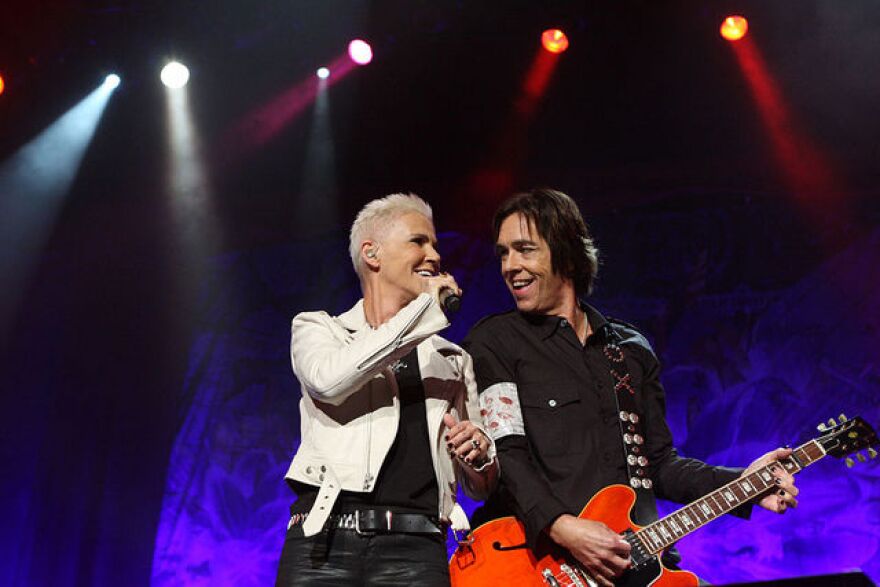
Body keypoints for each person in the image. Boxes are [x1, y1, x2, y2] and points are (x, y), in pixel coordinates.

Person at [462, 188, 798, 586]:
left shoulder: (629, 348)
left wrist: (744, 485)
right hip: (541, 566)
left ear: (567, 252)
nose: (509, 266)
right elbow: (507, 453)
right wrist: (562, 526)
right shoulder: (495, 341)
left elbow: (659, 464)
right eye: (503, 253)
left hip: (638, 560)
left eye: (524, 249)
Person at [274, 193, 498, 586]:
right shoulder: (319, 329)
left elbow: (480, 488)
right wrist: (424, 312)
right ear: (372, 253)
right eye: (418, 241)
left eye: (435, 244)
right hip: (324, 541)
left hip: (418, 547)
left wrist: (479, 455)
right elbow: (329, 382)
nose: (434, 255)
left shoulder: (453, 358)